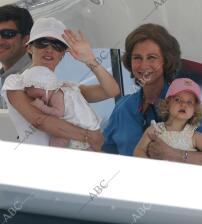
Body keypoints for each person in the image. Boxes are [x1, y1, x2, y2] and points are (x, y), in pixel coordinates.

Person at [102, 23, 202, 165]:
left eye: (152, 57)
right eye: (137, 58)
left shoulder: (183, 103)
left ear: (166, 61)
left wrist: (172, 154)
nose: (143, 65)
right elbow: (104, 153)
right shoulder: (123, 108)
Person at [1, 17, 120, 150]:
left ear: (62, 53)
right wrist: (89, 136)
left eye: (58, 45)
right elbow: (40, 121)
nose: (49, 49)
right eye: (42, 42)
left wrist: (90, 60)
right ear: (29, 48)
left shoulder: (67, 88)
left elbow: (111, 91)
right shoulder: (16, 82)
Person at [134, 78, 202, 166]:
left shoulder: (194, 136)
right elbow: (138, 151)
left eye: (189, 102)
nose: (183, 104)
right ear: (167, 103)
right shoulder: (154, 129)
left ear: (194, 110)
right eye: (177, 100)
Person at [23, 66, 102, 151]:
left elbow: (58, 113)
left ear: (47, 87)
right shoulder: (62, 89)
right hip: (87, 125)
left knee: (57, 140)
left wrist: (42, 107)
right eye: (35, 98)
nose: (39, 100)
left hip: (80, 125)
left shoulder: (56, 95)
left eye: (40, 96)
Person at [0, 5, 33, 108]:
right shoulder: (3, 78)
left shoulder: (38, 78)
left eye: (8, 34)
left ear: (26, 40)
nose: (0, 41)